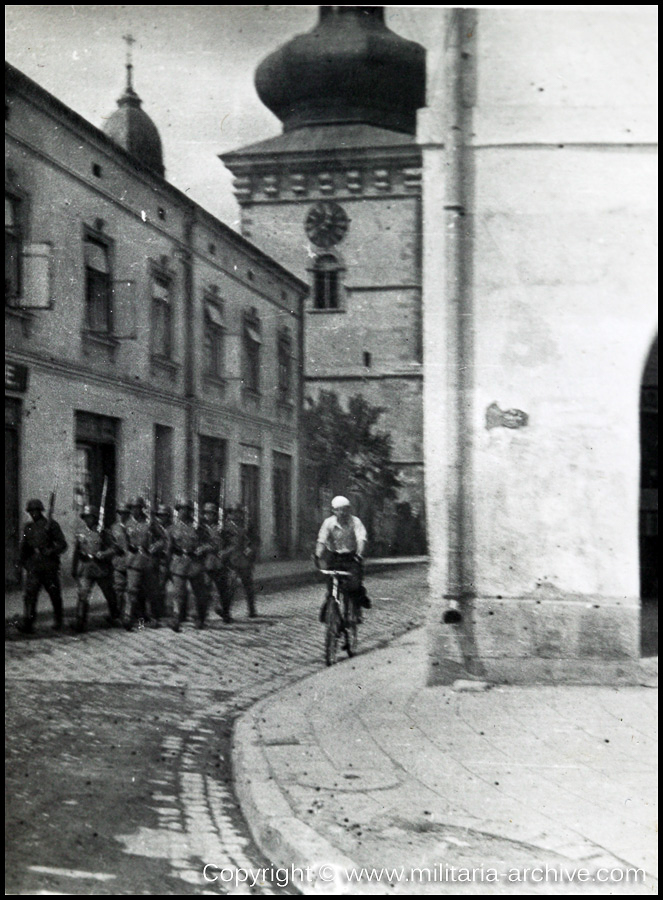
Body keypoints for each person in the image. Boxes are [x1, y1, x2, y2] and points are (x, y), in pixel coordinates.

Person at [315, 495, 371, 623]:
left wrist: (359, 554)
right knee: (331, 586)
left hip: (351, 556)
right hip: (334, 556)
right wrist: (318, 556)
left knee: (354, 584)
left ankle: (356, 609)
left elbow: (361, 539)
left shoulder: (355, 522)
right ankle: (331, 609)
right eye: (339, 510)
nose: (342, 513)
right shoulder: (328, 523)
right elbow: (321, 541)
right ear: (334, 511)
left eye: (345, 509)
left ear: (349, 510)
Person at [18, 498, 68, 634]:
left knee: (54, 594)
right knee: (30, 596)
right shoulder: (28, 527)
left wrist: (51, 550)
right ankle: (28, 623)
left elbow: (63, 544)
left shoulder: (51, 525)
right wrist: (23, 563)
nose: (33, 513)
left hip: (49, 566)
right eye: (31, 511)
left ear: (40, 511)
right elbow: (24, 547)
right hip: (34, 567)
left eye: (36, 511)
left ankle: (59, 620)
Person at [71, 505, 119, 632]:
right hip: (86, 568)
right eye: (86, 517)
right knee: (83, 594)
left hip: (101, 568)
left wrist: (104, 554)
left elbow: (114, 548)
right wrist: (74, 568)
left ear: (95, 518)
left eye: (90, 517)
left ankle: (115, 616)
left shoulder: (103, 532)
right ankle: (80, 621)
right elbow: (77, 551)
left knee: (109, 593)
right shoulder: (80, 532)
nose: (88, 520)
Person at [166, 499, 210, 631]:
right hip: (179, 564)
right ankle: (176, 619)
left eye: (187, 509)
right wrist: (168, 566)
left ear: (191, 511)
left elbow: (209, 543)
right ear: (178, 511)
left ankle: (200, 618)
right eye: (181, 509)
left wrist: (202, 549)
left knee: (199, 594)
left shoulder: (198, 528)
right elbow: (169, 549)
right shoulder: (171, 529)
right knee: (178, 593)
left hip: (195, 564)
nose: (184, 512)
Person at [200, 502, 234, 623]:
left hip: (220, 564)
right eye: (206, 514)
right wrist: (205, 548)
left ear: (215, 515)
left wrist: (225, 552)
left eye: (211, 514)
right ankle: (202, 617)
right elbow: (197, 545)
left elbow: (231, 545)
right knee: (204, 591)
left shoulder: (222, 529)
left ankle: (226, 614)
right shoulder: (201, 529)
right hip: (207, 564)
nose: (208, 516)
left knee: (224, 591)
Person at [123, 497, 153, 631]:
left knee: (143, 594)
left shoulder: (149, 523)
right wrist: (128, 548)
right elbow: (123, 542)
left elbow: (163, 538)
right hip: (133, 562)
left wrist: (153, 548)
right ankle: (128, 618)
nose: (135, 511)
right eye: (133, 508)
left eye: (137, 508)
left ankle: (141, 623)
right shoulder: (127, 524)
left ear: (142, 509)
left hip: (146, 562)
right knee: (132, 591)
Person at [223, 507, 259, 618]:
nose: (236, 515)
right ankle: (226, 611)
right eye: (233, 513)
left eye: (238, 513)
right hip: (232, 561)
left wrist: (250, 549)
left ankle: (252, 609)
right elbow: (223, 542)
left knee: (248, 586)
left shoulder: (247, 526)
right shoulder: (226, 527)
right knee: (231, 586)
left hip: (245, 561)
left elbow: (256, 540)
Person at [110, 501, 131, 622]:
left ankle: (130, 616)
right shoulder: (114, 527)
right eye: (121, 513)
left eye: (125, 513)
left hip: (132, 563)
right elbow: (111, 543)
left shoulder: (132, 526)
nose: (123, 515)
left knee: (131, 591)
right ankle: (118, 615)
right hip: (118, 562)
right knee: (118, 590)